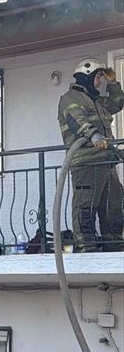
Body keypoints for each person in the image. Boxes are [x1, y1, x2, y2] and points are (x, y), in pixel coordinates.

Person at [57, 57, 124, 252]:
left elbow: (117, 103)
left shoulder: (97, 101)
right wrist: (93, 135)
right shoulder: (70, 98)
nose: (100, 82)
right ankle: (86, 247)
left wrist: (113, 83)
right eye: (98, 77)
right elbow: (76, 120)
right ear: (87, 77)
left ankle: (114, 244)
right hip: (86, 163)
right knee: (85, 206)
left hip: (106, 161)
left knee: (114, 205)